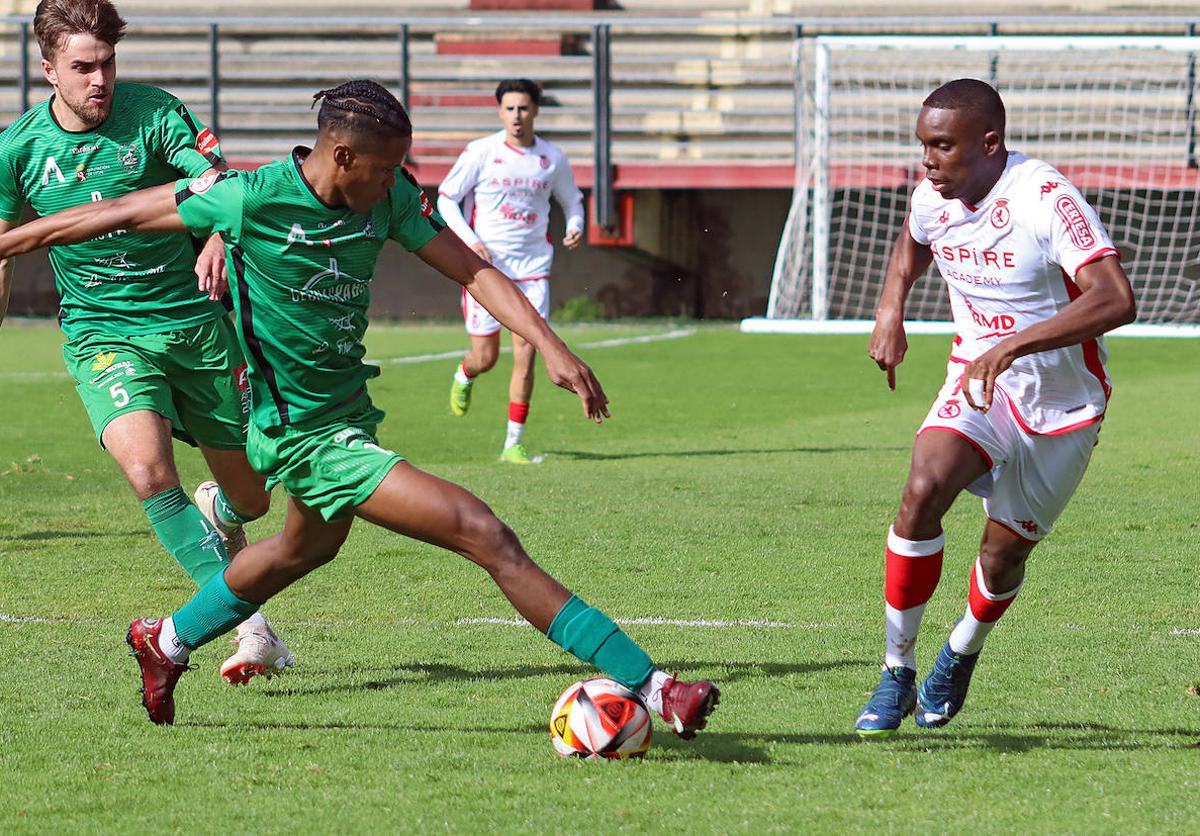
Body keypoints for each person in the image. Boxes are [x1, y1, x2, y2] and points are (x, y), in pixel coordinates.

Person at [0, 79, 721, 734]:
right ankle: (656, 687)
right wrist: (10, 242)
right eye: (383, 169)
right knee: (482, 531)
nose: (396, 184)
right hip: (301, 437)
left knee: (297, 550)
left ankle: (165, 642)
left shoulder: (390, 199)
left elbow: (471, 267)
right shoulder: (250, 197)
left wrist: (551, 345)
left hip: (348, 416)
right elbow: (109, 215)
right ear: (341, 156)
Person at [0, 0, 293, 683]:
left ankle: (219, 510)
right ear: (49, 71)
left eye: (107, 63)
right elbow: (8, 247)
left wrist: (219, 232)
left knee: (253, 500)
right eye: (82, 67)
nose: (99, 79)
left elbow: (222, 183)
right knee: (147, 471)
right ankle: (251, 627)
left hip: (193, 329)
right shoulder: (18, 150)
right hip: (103, 333)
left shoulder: (156, 112)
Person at [855, 78, 1136, 737]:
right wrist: (889, 312)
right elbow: (912, 242)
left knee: (1003, 555)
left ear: (990, 143)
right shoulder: (933, 196)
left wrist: (1014, 345)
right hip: (979, 380)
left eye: (942, 146)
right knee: (922, 487)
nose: (927, 162)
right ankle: (895, 670)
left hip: (1064, 406)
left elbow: (1116, 298)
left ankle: (961, 651)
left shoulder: (1043, 198)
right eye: (922, 145)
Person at [437, 78, 584, 465]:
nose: (517, 116)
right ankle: (465, 374)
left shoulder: (552, 158)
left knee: (527, 353)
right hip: (485, 269)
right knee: (486, 357)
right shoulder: (481, 152)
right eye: (510, 108)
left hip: (533, 268)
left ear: (535, 111)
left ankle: (513, 444)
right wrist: (470, 241)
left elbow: (572, 200)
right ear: (500, 111)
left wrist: (575, 225)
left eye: (524, 108)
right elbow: (446, 199)